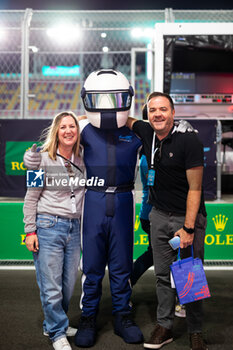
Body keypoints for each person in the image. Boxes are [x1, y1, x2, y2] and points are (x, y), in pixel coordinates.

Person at [24, 69, 144, 348]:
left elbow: (158, 134)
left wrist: (181, 128)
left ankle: (123, 316)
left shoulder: (136, 133)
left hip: (124, 201)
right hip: (93, 203)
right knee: (91, 268)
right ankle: (87, 317)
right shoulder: (82, 133)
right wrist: (33, 158)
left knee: (121, 265)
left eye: (114, 97)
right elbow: (35, 183)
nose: (108, 104)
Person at [127, 92, 208, 350]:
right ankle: (165, 326)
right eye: (153, 110)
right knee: (162, 276)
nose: (158, 114)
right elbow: (126, 121)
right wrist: (82, 118)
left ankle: (196, 331)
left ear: (173, 113)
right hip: (159, 216)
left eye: (163, 109)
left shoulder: (189, 140)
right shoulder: (147, 132)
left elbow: (195, 189)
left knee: (189, 277)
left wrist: (188, 227)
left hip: (187, 217)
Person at [23, 111, 85, 350]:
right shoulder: (42, 159)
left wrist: (81, 117)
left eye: (73, 126)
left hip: (75, 227)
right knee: (51, 286)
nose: (68, 131)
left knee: (68, 284)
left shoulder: (82, 158)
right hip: (48, 226)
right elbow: (31, 198)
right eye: (63, 127)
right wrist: (30, 231)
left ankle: (54, 322)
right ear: (56, 132)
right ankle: (57, 332)